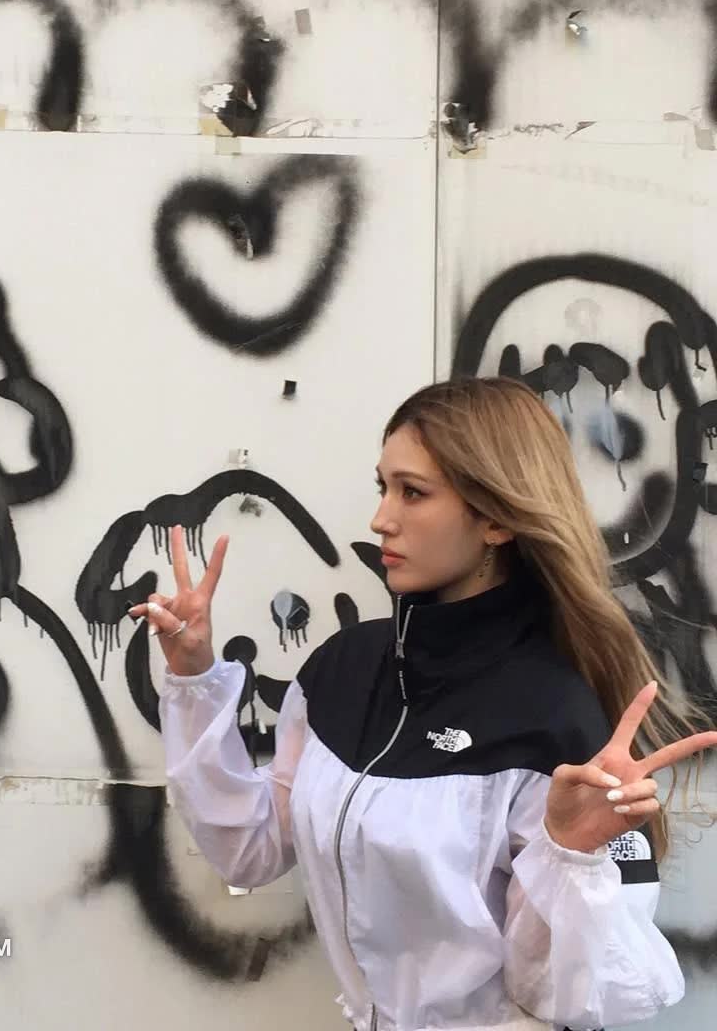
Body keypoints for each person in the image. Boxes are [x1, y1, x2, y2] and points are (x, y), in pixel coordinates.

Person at [129, 376, 717, 1031]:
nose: (381, 518)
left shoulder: (554, 715)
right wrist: (193, 677)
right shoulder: (342, 669)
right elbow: (251, 847)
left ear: (496, 519)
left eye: (412, 492)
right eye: (383, 487)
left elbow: (564, 997)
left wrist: (570, 857)